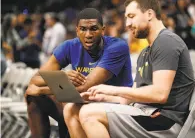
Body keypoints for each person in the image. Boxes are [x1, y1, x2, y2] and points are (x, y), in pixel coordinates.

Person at [66, 0, 195, 138]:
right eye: (126, 18)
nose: (127, 24)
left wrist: (112, 90)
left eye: (131, 17)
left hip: (163, 121)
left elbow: (160, 94)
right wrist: (101, 97)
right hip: (143, 111)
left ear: (149, 14)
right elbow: (129, 99)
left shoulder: (166, 41)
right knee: (72, 108)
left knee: (89, 114)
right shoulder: (146, 51)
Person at [25, 8, 133, 138]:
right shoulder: (69, 46)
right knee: (34, 98)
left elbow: (84, 87)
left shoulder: (117, 47)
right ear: (77, 30)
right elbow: (35, 79)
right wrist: (63, 76)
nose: (88, 34)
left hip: (114, 105)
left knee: (54, 98)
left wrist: (41, 90)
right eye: (83, 29)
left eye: (93, 29)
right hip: (81, 100)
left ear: (103, 30)